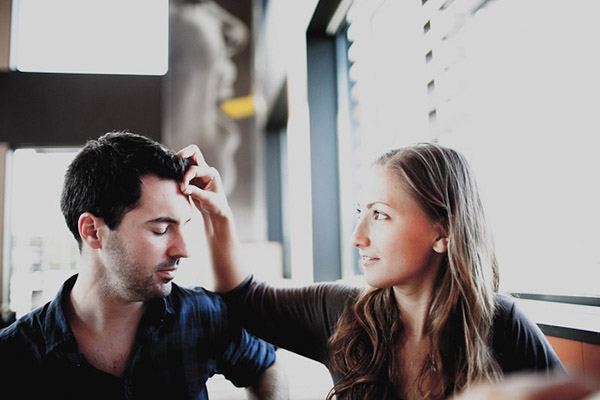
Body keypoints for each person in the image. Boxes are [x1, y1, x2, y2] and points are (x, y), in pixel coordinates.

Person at [178, 142, 564, 400]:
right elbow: (244, 300)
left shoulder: (501, 325)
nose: (357, 237)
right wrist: (219, 213)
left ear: (442, 233)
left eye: (380, 215)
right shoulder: (343, 312)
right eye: (360, 213)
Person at [0, 131, 287, 399]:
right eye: (161, 229)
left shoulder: (201, 315)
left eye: (183, 226)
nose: (183, 250)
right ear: (92, 231)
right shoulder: (15, 355)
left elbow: (266, 366)